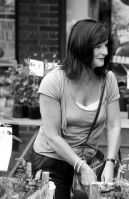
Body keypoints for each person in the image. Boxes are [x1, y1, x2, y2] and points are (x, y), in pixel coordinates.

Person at [31, 19, 121, 199]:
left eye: (105, 46)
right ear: (82, 47)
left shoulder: (108, 79)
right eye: (98, 47)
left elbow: (114, 126)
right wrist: (80, 166)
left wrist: (110, 162)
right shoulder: (54, 81)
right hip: (52, 160)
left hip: (88, 160)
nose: (105, 52)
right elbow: (52, 135)